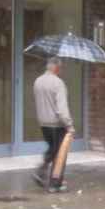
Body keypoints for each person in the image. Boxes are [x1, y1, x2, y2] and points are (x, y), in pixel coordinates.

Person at [33, 57, 74, 193]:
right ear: (56, 68)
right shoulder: (58, 83)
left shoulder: (37, 81)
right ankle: (55, 183)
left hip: (43, 123)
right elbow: (61, 108)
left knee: (53, 149)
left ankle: (42, 170)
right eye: (60, 68)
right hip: (57, 124)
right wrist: (69, 124)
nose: (61, 70)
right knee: (60, 154)